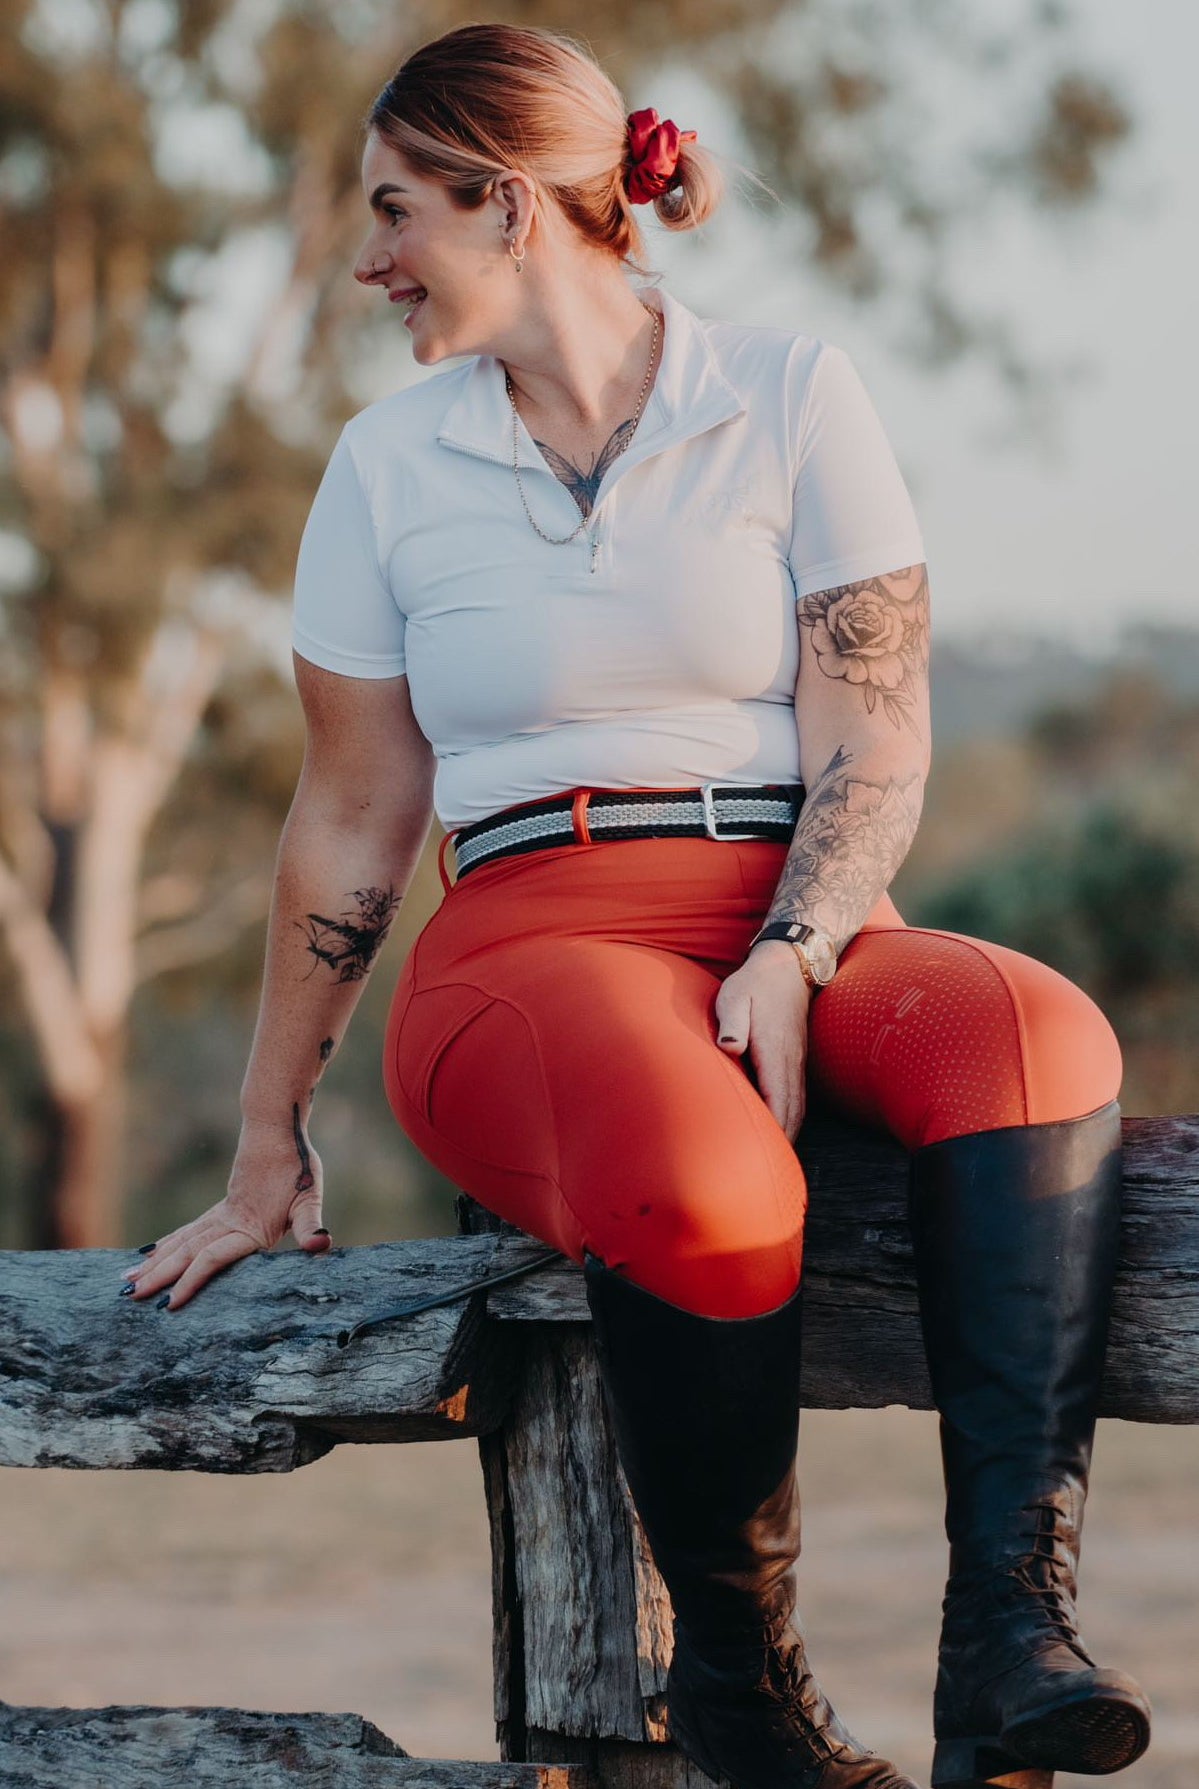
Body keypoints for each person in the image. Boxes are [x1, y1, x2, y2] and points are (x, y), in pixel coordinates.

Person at [120, 23, 1152, 1789]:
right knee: (706, 1164)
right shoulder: (386, 467)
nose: (371, 262)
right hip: (529, 946)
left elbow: (876, 725)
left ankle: (1007, 1637)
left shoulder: (791, 392)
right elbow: (352, 816)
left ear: (510, 203)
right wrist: (269, 1133)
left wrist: (798, 948)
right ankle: (747, 1691)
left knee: (1039, 1037)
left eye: (395, 212)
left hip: (802, 908)